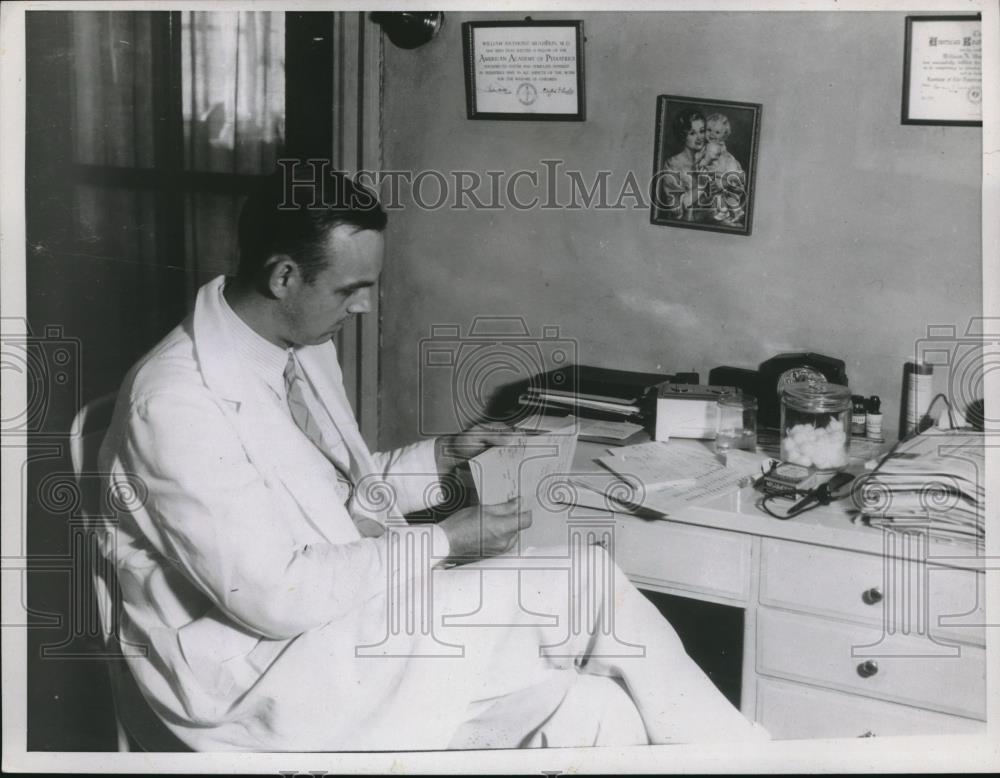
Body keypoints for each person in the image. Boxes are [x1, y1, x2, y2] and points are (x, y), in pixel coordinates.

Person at [96, 170, 767, 751]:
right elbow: (275, 597)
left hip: (341, 624)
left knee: (597, 714)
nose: (363, 306)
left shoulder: (294, 345)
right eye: (350, 289)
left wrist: (444, 456)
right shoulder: (176, 403)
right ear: (283, 276)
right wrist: (444, 540)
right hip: (257, 677)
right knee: (581, 581)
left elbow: (332, 498)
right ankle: (757, 763)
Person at [657, 108, 709, 220]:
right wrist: (700, 186)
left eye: (702, 131)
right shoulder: (673, 164)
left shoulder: (711, 158)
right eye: (692, 133)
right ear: (683, 135)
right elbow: (677, 207)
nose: (699, 137)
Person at [701, 113, 747, 225]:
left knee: (719, 192)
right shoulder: (717, 145)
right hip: (727, 170)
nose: (712, 134)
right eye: (709, 130)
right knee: (724, 194)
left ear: (724, 135)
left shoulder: (712, 146)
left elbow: (708, 161)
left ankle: (725, 211)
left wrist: (702, 165)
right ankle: (734, 211)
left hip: (724, 170)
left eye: (717, 132)